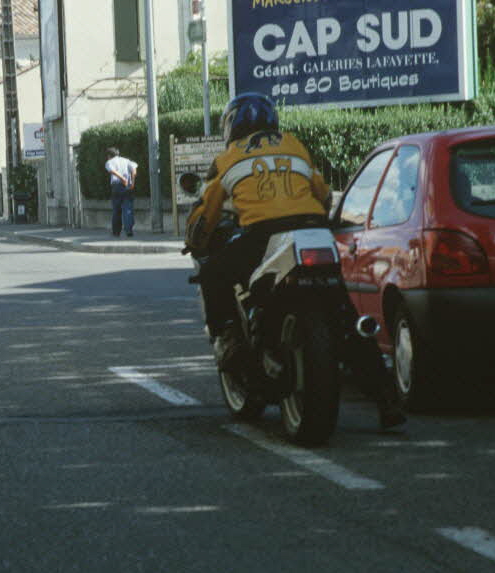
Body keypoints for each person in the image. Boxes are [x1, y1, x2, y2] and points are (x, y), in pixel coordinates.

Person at [185, 92, 403, 427]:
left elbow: (207, 213)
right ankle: (388, 402)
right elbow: (323, 193)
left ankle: (229, 339)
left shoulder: (228, 158)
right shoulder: (295, 145)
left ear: (232, 125)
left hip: (262, 234)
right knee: (345, 315)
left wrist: (196, 241)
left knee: (214, 273)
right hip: (313, 230)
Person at [104, 147, 138, 237]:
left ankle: (116, 231)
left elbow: (112, 171)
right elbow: (134, 170)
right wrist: (133, 182)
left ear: (109, 156)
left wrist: (122, 178)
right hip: (128, 186)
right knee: (128, 209)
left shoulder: (109, 162)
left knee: (116, 210)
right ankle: (129, 230)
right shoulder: (126, 160)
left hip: (117, 186)